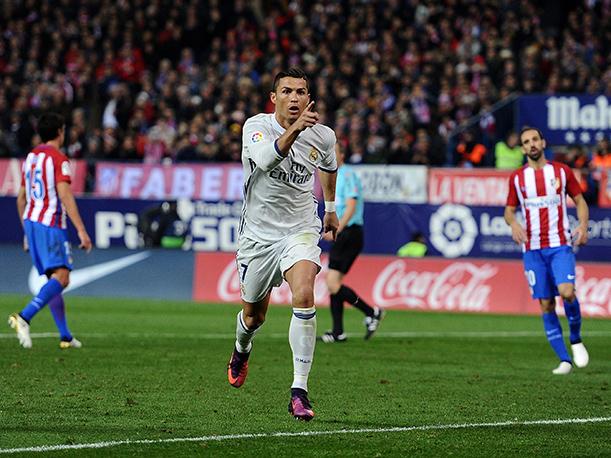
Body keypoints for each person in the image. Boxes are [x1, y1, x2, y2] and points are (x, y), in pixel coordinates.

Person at [227, 68, 339, 421]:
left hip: (301, 229)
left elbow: (330, 166)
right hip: (258, 237)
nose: (294, 97)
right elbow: (265, 159)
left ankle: (299, 391)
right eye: (287, 91)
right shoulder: (255, 126)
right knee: (253, 315)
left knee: (304, 295)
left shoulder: (323, 136)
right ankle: (241, 348)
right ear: (274, 97)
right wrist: (296, 130)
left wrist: (332, 208)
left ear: (310, 99)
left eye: (301, 92)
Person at [504, 126, 589, 375]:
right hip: (532, 249)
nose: (531, 144)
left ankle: (575, 338)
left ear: (543, 142)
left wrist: (583, 225)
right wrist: (514, 224)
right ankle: (564, 360)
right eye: (526, 142)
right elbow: (508, 210)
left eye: (534, 140)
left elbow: (580, 200)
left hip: (559, 245)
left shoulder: (561, 172)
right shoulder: (518, 179)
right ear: (522, 148)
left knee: (567, 292)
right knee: (546, 304)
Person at [9, 112, 92, 349]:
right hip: (50, 223)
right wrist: (82, 231)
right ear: (60, 132)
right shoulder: (58, 158)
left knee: (52, 280)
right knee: (63, 278)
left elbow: (20, 200)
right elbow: (65, 194)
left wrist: (26, 232)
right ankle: (24, 317)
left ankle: (65, 336)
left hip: (32, 224)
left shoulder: (31, 158)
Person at [320, 144, 384, 343]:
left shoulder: (347, 175)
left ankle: (371, 312)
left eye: (333, 152)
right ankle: (338, 331)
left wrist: (337, 229)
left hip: (350, 233)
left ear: (341, 155)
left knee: (332, 283)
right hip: (344, 234)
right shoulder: (332, 176)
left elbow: (351, 205)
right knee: (333, 284)